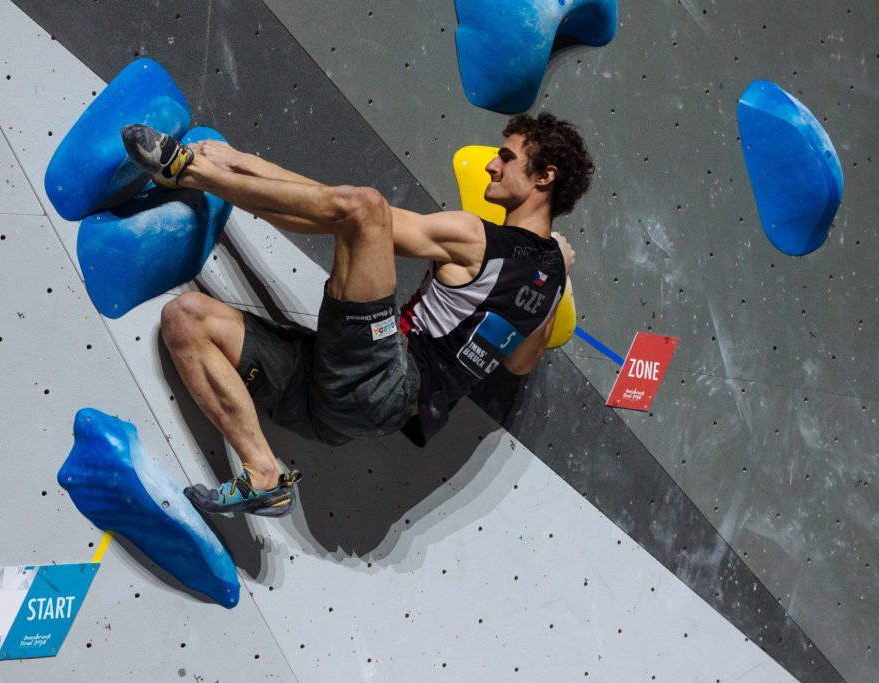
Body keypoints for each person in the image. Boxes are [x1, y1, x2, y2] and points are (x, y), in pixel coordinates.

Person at [120, 112, 592, 518]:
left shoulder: (477, 237)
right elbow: (520, 364)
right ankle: (262, 470)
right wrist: (559, 273)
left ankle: (186, 171)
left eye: (506, 157)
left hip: (386, 378)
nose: (492, 163)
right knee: (187, 319)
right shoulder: (551, 281)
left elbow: (353, 213)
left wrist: (234, 164)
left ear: (543, 177)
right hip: (342, 405)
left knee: (366, 207)